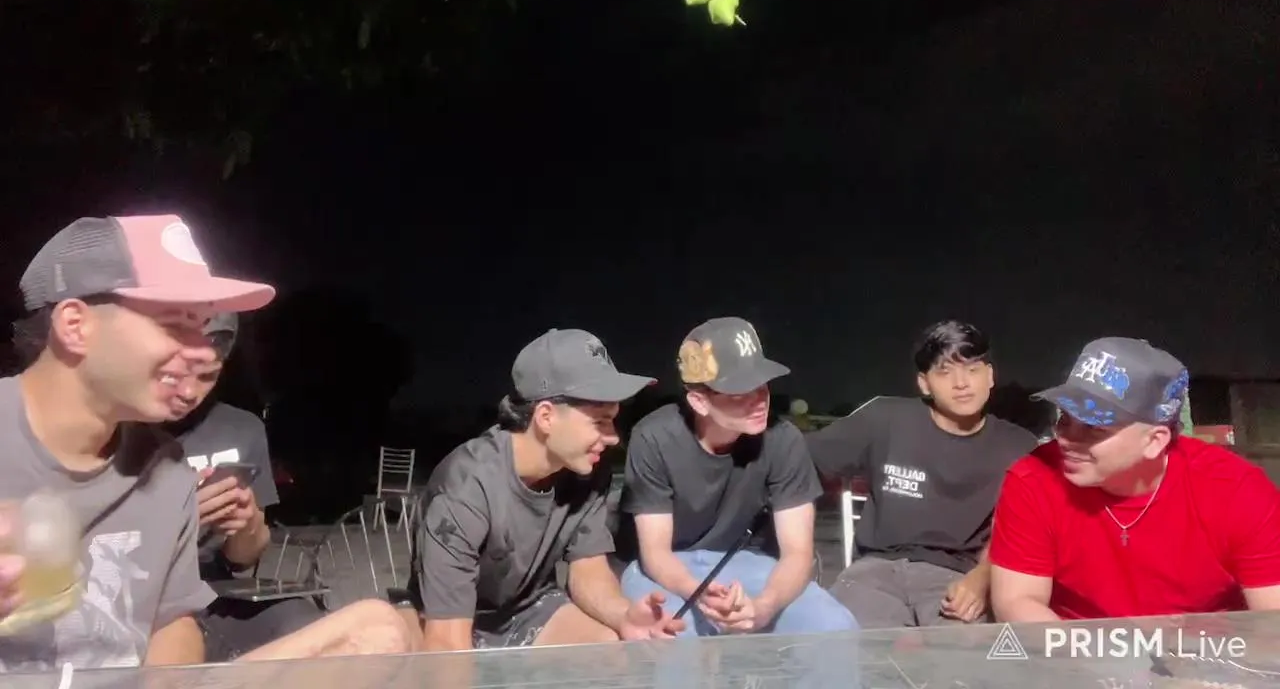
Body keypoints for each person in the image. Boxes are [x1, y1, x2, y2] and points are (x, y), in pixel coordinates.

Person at [0, 214, 410, 671]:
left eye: (206, 328)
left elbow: (172, 623)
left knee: (376, 629)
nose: (205, 353)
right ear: (76, 326)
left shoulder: (164, 464)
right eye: (176, 324)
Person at [408, 328, 684, 650]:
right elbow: (448, 640)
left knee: (607, 647)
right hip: (447, 616)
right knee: (399, 642)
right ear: (546, 416)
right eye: (600, 421)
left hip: (528, 608)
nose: (613, 438)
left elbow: (588, 568)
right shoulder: (468, 485)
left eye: (613, 421)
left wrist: (624, 616)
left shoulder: (588, 471)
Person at [990, 337, 1280, 621]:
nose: (1066, 439)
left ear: (1154, 441)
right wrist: (1090, 652)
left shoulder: (1238, 491)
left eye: (1093, 427)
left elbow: (1273, 618)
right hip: (1077, 645)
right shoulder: (1032, 478)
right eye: (1065, 419)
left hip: (1207, 646)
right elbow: (1018, 600)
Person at [616, 317, 857, 636]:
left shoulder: (784, 439)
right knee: (673, 635)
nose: (759, 401)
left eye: (762, 385)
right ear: (699, 401)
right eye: (739, 392)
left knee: (835, 627)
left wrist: (764, 607)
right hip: (668, 569)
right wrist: (699, 591)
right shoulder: (653, 437)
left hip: (751, 563)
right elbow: (655, 552)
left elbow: (797, 553)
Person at [808, 320, 1037, 628]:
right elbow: (795, 464)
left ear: (990, 376)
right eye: (944, 371)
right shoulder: (885, 419)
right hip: (874, 572)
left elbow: (1025, 532)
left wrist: (983, 577)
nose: (961, 383)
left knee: (969, 651)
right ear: (925, 383)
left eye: (972, 369)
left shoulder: (1019, 447)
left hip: (957, 577)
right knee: (842, 638)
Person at [165, 312, 326, 661]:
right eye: (175, 375)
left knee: (314, 625)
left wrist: (248, 523)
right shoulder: (123, 427)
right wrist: (179, 519)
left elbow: (242, 560)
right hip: (140, 595)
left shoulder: (243, 429)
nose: (189, 392)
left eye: (207, 375)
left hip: (215, 590)